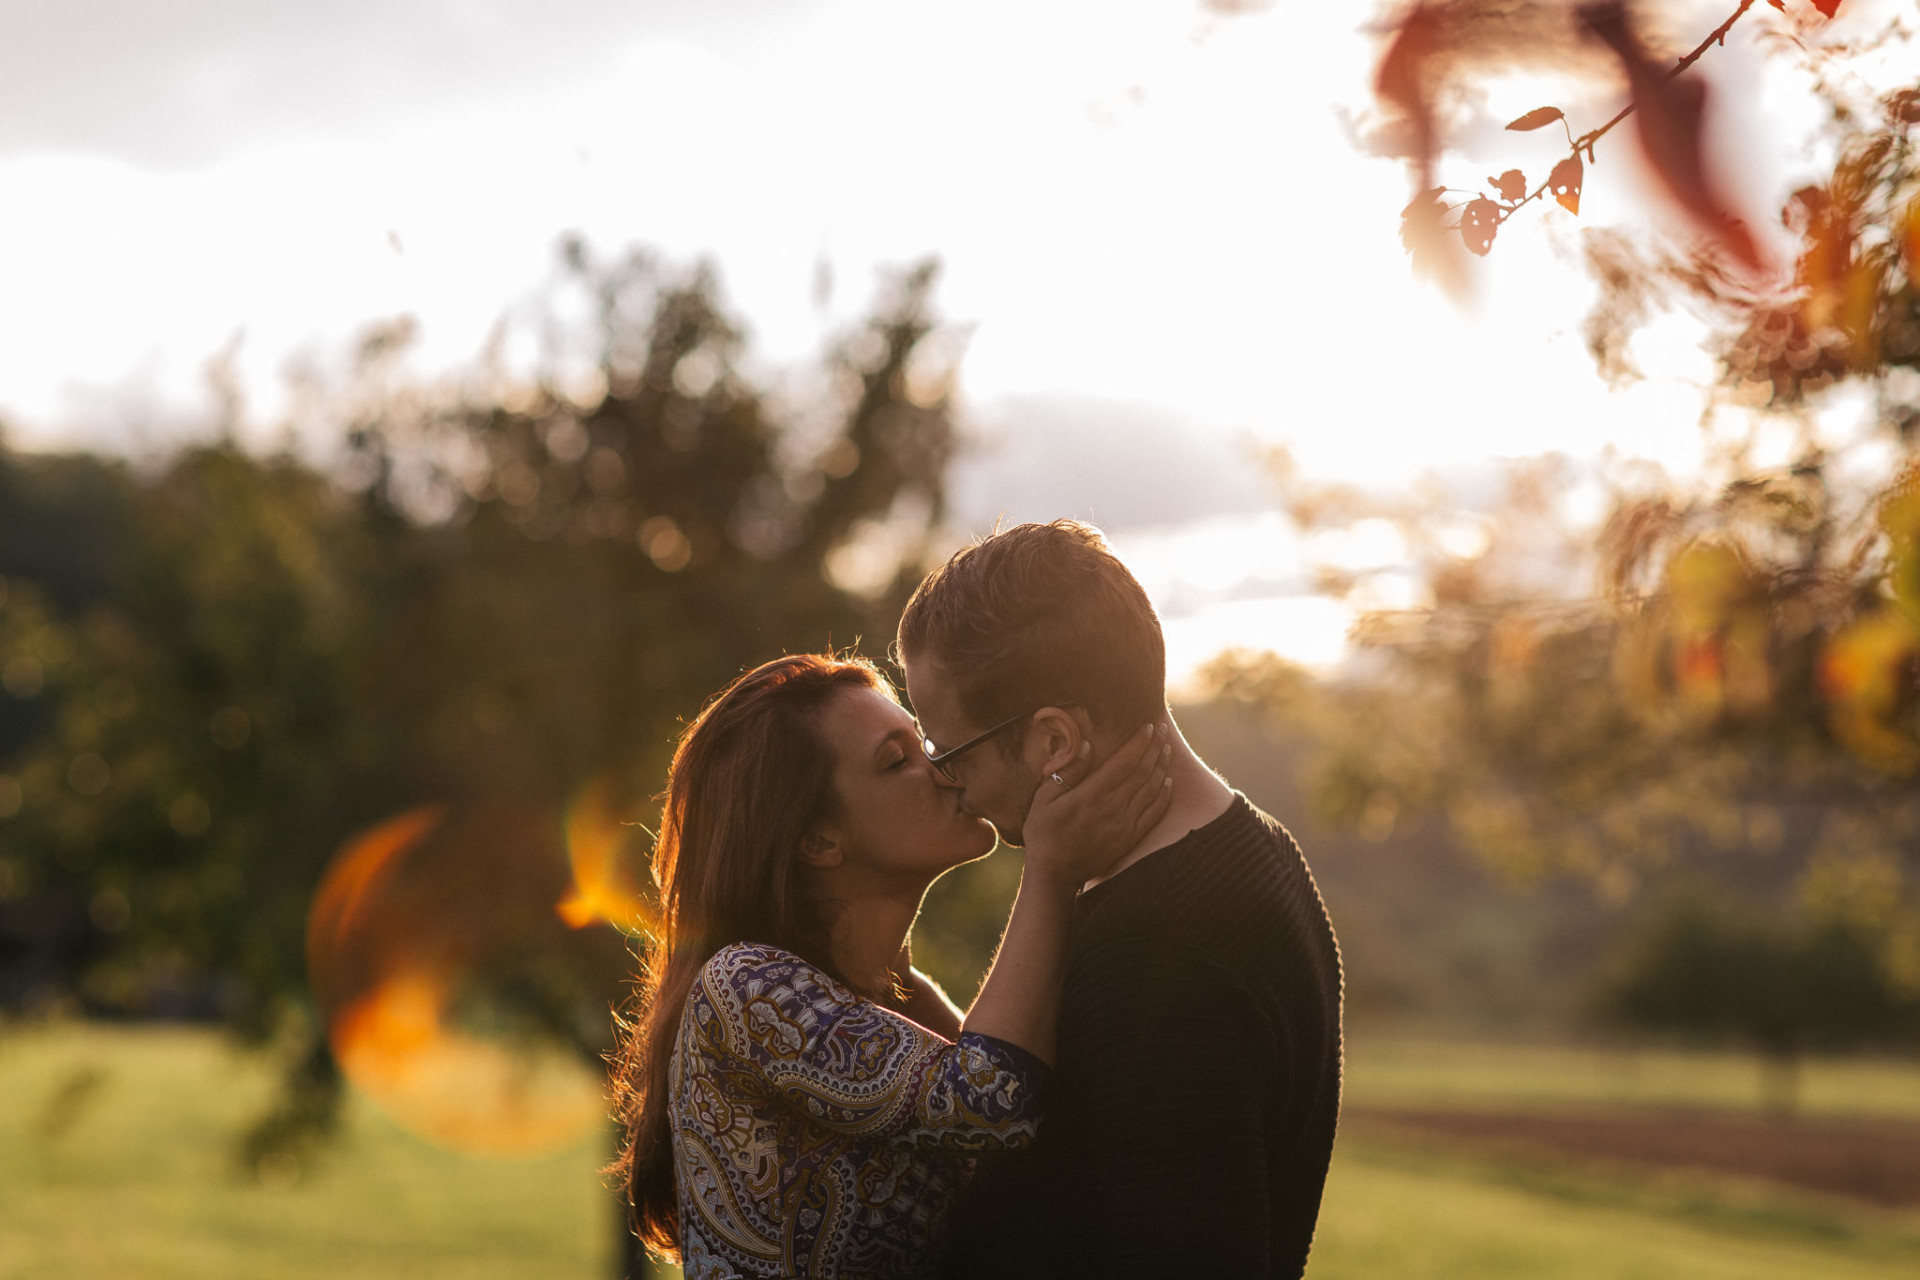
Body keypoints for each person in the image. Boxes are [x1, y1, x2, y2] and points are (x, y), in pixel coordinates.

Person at [606, 652, 1173, 1279]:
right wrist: (1052, 870)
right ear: (819, 841)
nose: (944, 765)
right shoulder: (744, 987)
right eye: (897, 761)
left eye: (925, 742)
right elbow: (991, 1102)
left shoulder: (897, 1001)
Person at [897, 519, 1344, 1279]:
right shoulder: (1256, 846)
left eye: (948, 751)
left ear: (1054, 744)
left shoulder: (1160, 957)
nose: (944, 779)